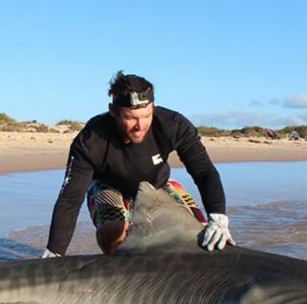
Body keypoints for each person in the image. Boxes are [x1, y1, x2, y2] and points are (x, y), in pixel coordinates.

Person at [43, 71, 234, 257]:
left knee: (200, 235)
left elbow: (204, 172)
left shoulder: (173, 125)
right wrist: (55, 251)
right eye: (130, 118)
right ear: (113, 112)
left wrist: (218, 217)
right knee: (114, 234)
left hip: (157, 185)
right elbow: (71, 197)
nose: (140, 125)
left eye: (146, 116)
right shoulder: (91, 139)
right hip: (109, 186)